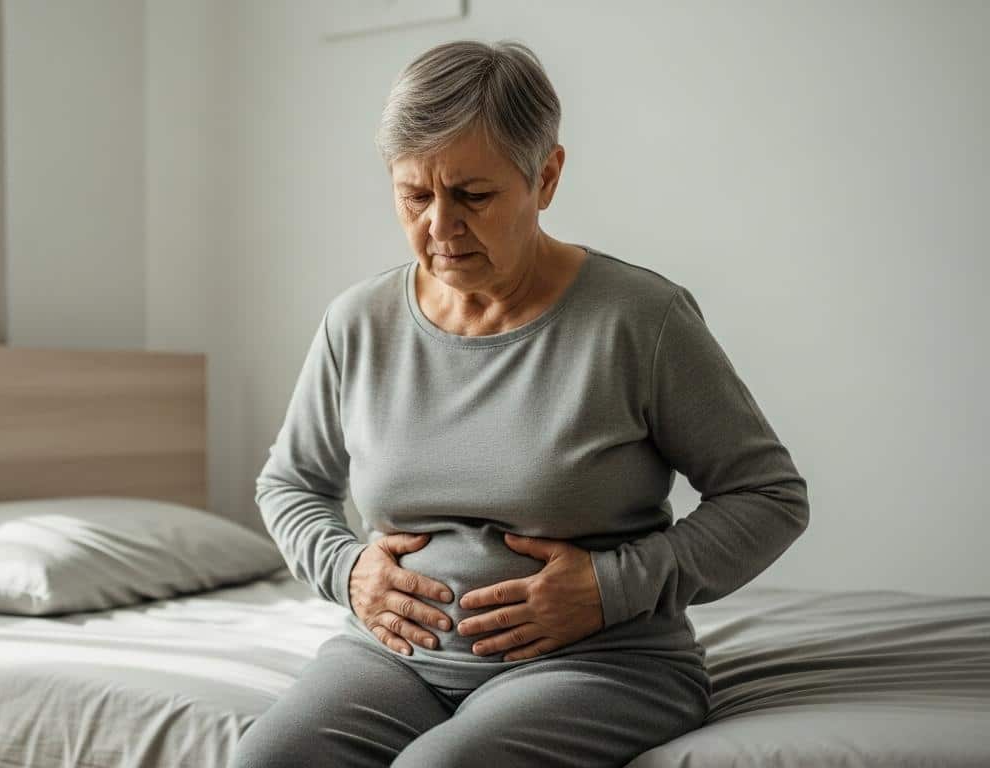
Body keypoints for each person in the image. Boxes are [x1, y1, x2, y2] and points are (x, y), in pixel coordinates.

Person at [231, 38, 811, 768]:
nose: (440, 227)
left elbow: (769, 496)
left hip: (600, 665)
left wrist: (608, 587)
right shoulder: (358, 321)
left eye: (473, 195)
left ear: (547, 176)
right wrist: (347, 570)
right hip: (395, 660)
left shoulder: (639, 318)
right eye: (414, 194)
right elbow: (290, 484)